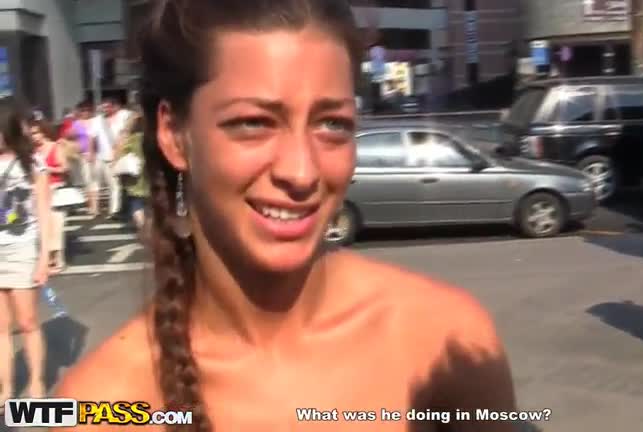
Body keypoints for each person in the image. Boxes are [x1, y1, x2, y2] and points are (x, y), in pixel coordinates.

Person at [53, 1, 518, 430]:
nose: (301, 171)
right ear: (175, 135)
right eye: (254, 123)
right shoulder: (99, 407)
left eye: (332, 124)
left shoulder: (443, 339)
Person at [0, 98, 50, 409]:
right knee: (0, 328)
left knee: (28, 321)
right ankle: (6, 388)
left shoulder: (33, 164)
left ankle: (36, 380)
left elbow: (44, 213)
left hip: (22, 249)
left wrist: (44, 257)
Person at [29, 119, 69, 273]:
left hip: (55, 189)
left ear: (44, 132)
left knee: (56, 225)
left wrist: (47, 169)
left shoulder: (55, 146)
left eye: (36, 133)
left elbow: (64, 168)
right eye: (31, 134)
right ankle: (48, 259)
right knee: (41, 227)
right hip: (37, 192)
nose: (34, 136)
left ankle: (58, 260)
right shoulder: (31, 151)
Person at [87, 97, 133, 219]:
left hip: (115, 157)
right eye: (103, 107)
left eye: (107, 106)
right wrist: (91, 153)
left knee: (114, 185)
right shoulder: (97, 120)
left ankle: (114, 210)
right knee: (96, 183)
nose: (105, 109)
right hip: (100, 156)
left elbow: (126, 133)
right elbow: (92, 137)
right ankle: (94, 209)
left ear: (114, 107)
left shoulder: (123, 117)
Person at [114, 113, 149, 242]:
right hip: (149, 172)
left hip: (134, 173)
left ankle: (142, 226)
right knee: (150, 202)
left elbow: (120, 154)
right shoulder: (151, 137)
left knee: (136, 202)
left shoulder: (130, 139)